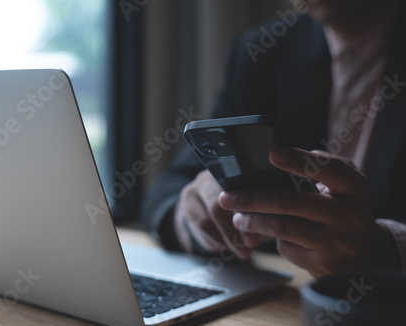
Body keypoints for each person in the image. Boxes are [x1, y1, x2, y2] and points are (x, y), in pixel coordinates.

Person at [141, 0, 406, 278]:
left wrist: (387, 250)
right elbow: (169, 188)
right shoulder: (259, 52)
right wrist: (192, 219)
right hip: (281, 301)